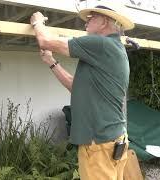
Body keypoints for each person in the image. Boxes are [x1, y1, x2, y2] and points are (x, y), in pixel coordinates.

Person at [30, 1, 134, 180]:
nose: (86, 21)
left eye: (92, 17)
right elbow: (75, 86)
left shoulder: (101, 44)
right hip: (113, 142)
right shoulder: (111, 50)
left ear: (104, 22)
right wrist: (51, 62)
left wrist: (37, 22)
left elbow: (44, 41)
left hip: (99, 145)